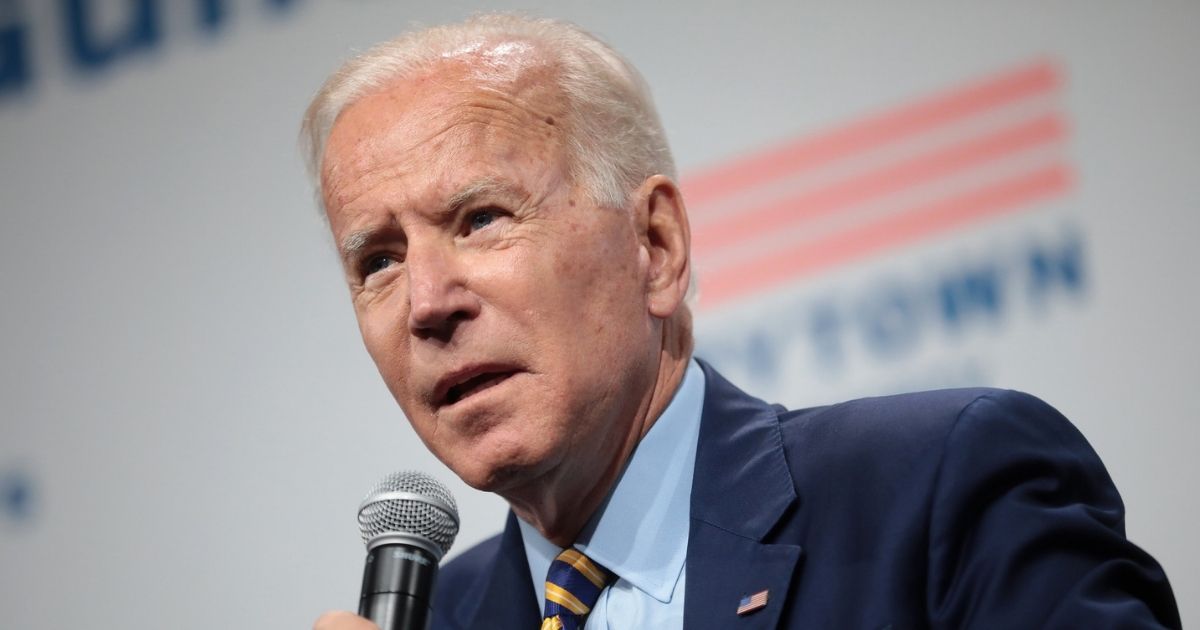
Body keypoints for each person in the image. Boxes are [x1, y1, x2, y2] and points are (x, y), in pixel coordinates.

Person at [301, 14, 1180, 630]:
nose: (427, 303)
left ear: (655, 245)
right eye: (377, 261)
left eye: (481, 219)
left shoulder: (938, 490)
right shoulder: (438, 621)